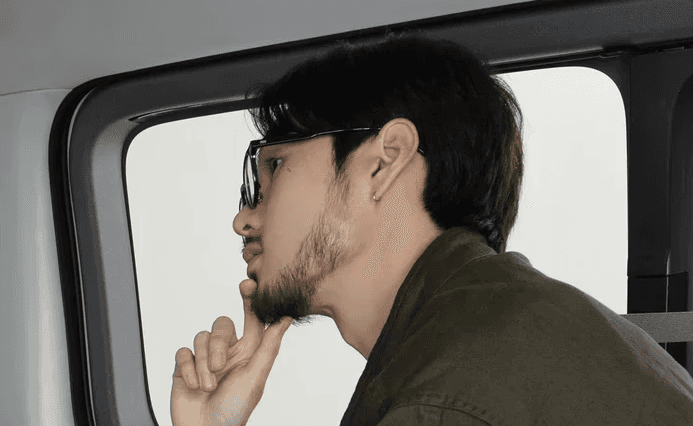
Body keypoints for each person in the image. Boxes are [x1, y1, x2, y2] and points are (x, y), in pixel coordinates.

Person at [171, 34, 693, 425]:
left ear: (383, 162)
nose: (243, 219)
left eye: (275, 167)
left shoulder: (445, 397)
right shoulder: (495, 326)